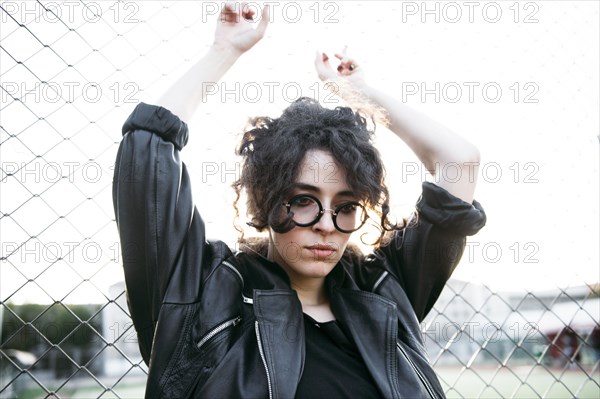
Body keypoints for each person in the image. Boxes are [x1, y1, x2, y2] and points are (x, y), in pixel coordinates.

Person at [112, 3, 486, 398]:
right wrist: (224, 52)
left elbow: (459, 162)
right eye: (304, 201)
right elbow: (147, 150)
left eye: (345, 207)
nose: (327, 224)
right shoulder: (205, 295)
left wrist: (361, 95)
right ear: (265, 203)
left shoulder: (385, 291)